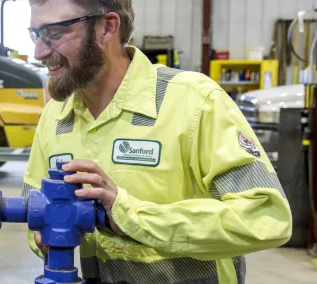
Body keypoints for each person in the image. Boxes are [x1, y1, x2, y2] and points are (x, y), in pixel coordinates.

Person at [23, 0, 292, 283]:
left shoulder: (194, 102)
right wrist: (41, 230)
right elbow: (33, 204)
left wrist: (134, 218)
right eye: (36, 34)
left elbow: (267, 217)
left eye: (54, 33)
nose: (39, 52)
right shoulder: (55, 115)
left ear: (107, 27)